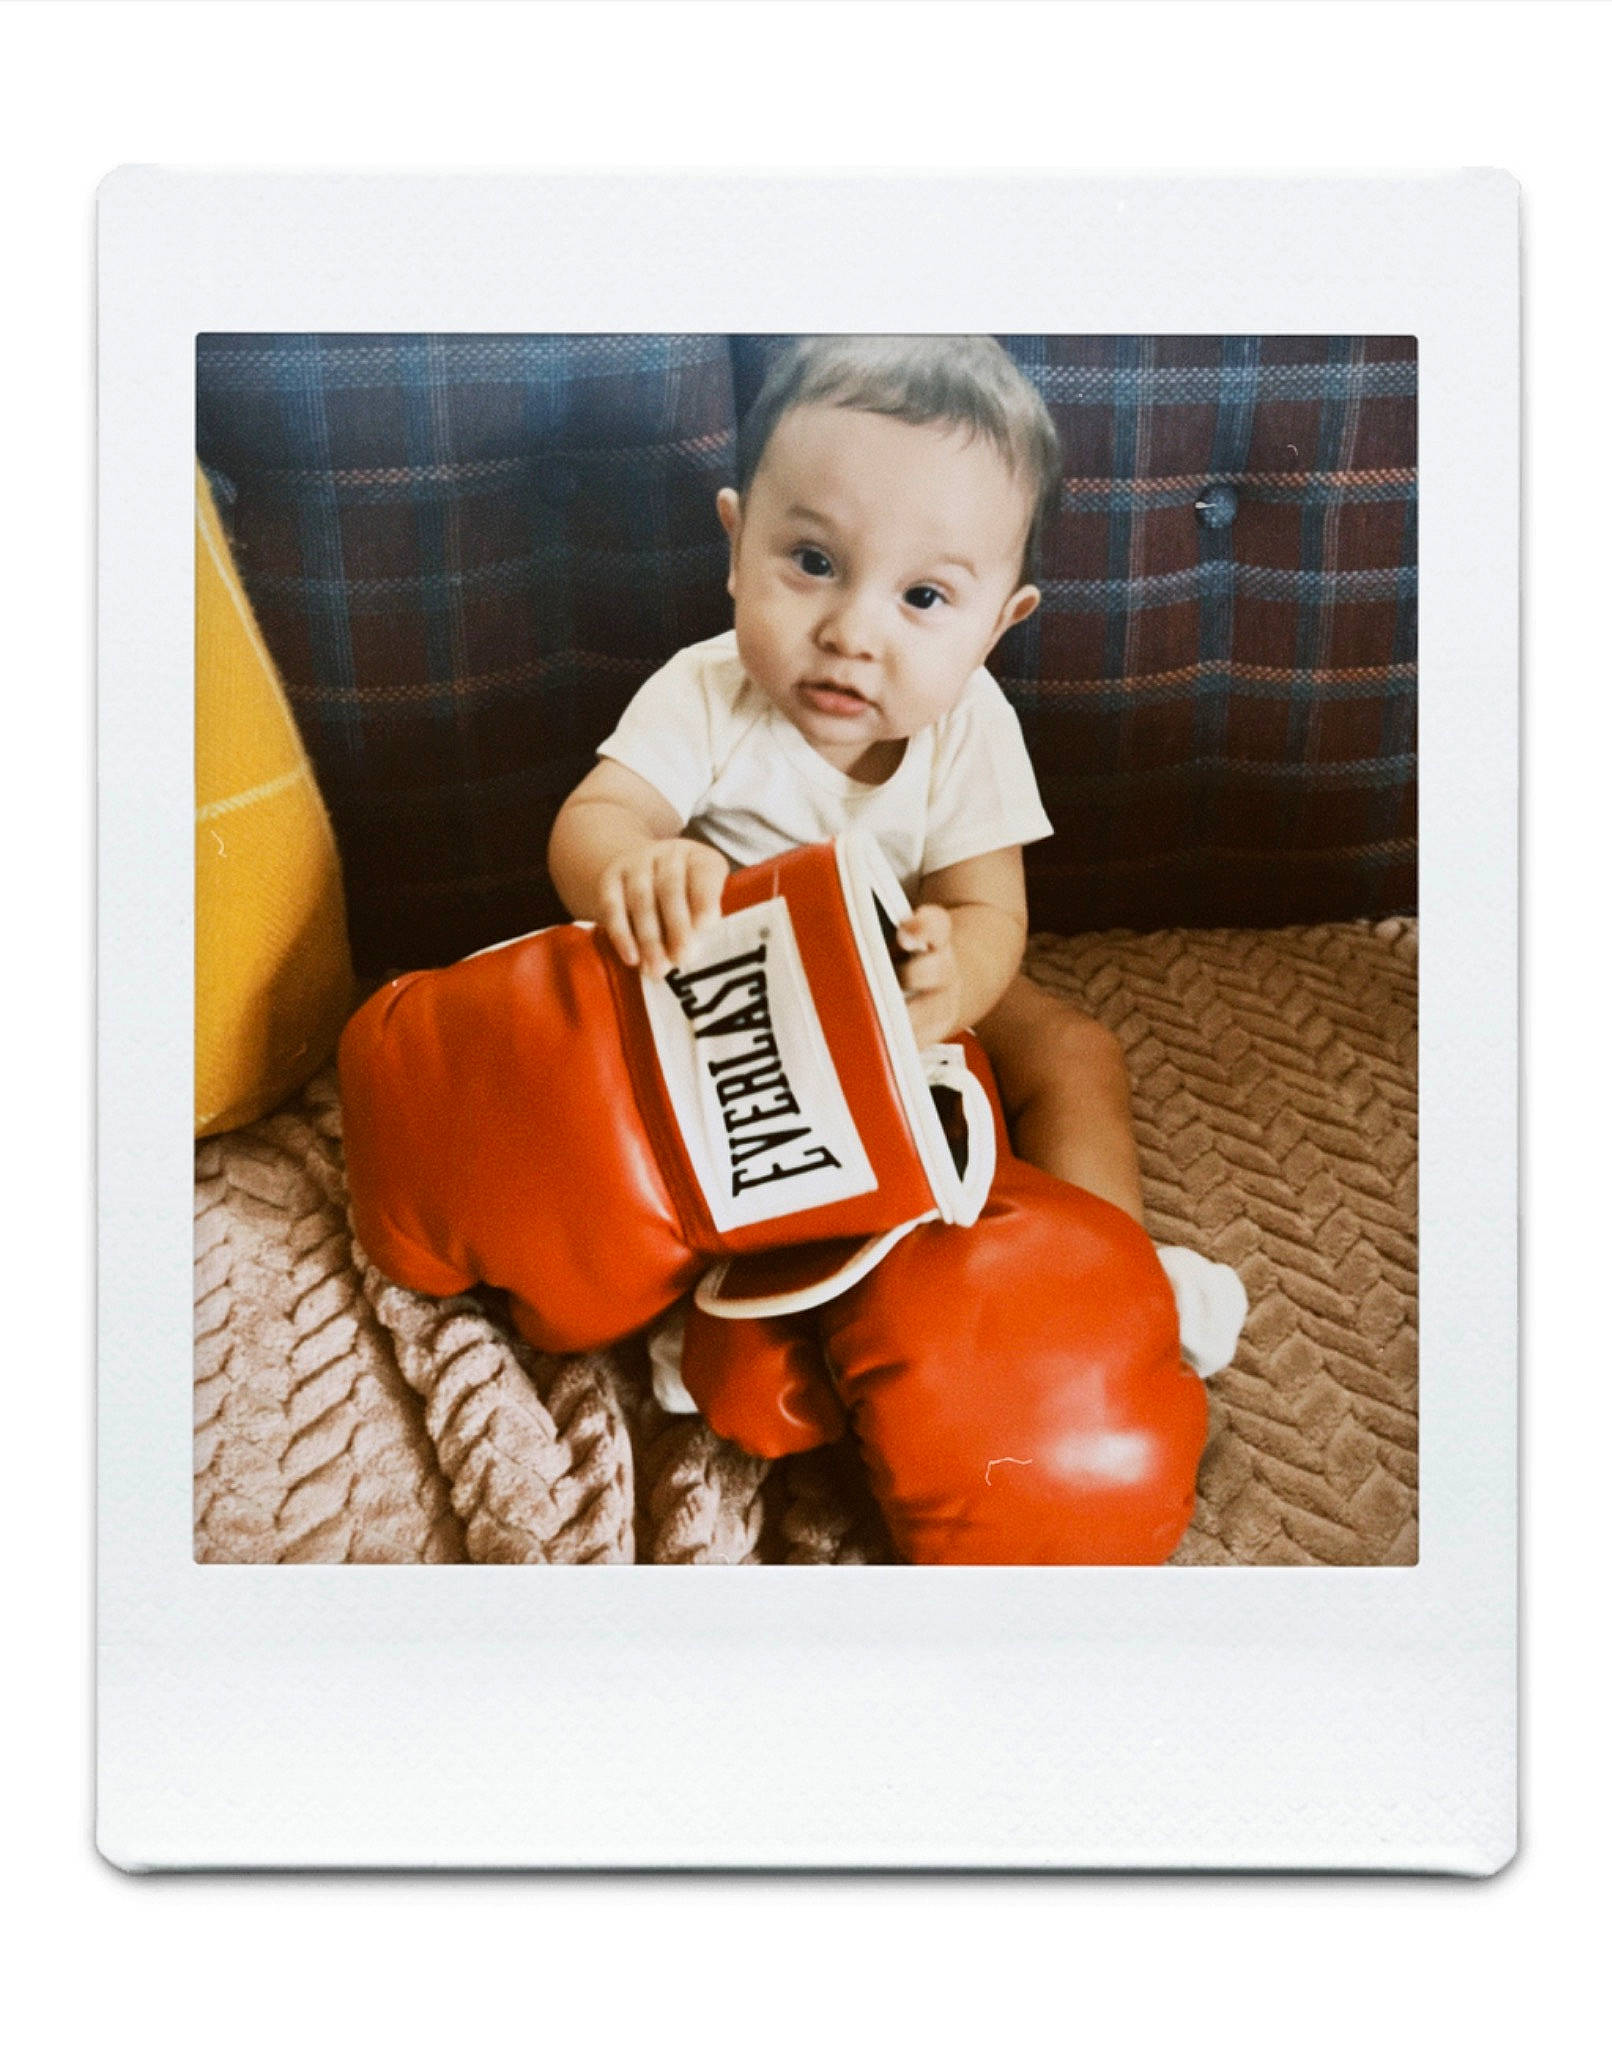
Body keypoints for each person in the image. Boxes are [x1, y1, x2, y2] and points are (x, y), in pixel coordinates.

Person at [548, 335, 1246, 1387]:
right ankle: (724, 1302)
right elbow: (598, 813)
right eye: (814, 563)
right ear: (737, 547)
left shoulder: (971, 723)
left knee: (1074, 1050)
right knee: (608, 1098)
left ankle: (1100, 1272)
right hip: (722, 1002)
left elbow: (987, 909)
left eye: (923, 598)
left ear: (995, 626)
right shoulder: (704, 692)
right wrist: (634, 867)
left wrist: (949, 971)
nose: (850, 631)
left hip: (903, 995)